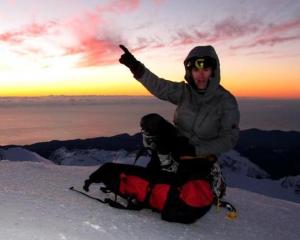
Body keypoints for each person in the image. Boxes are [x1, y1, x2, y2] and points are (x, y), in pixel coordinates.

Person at [83, 44, 240, 223]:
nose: (201, 74)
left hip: (200, 155)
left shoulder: (225, 102)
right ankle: (166, 164)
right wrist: (136, 67)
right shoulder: (185, 92)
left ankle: (204, 174)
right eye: (196, 70)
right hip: (178, 144)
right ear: (190, 72)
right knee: (152, 122)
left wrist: (197, 149)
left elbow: (230, 138)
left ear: (214, 71)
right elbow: (159, 86)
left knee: (183, 189)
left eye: (206, 69)